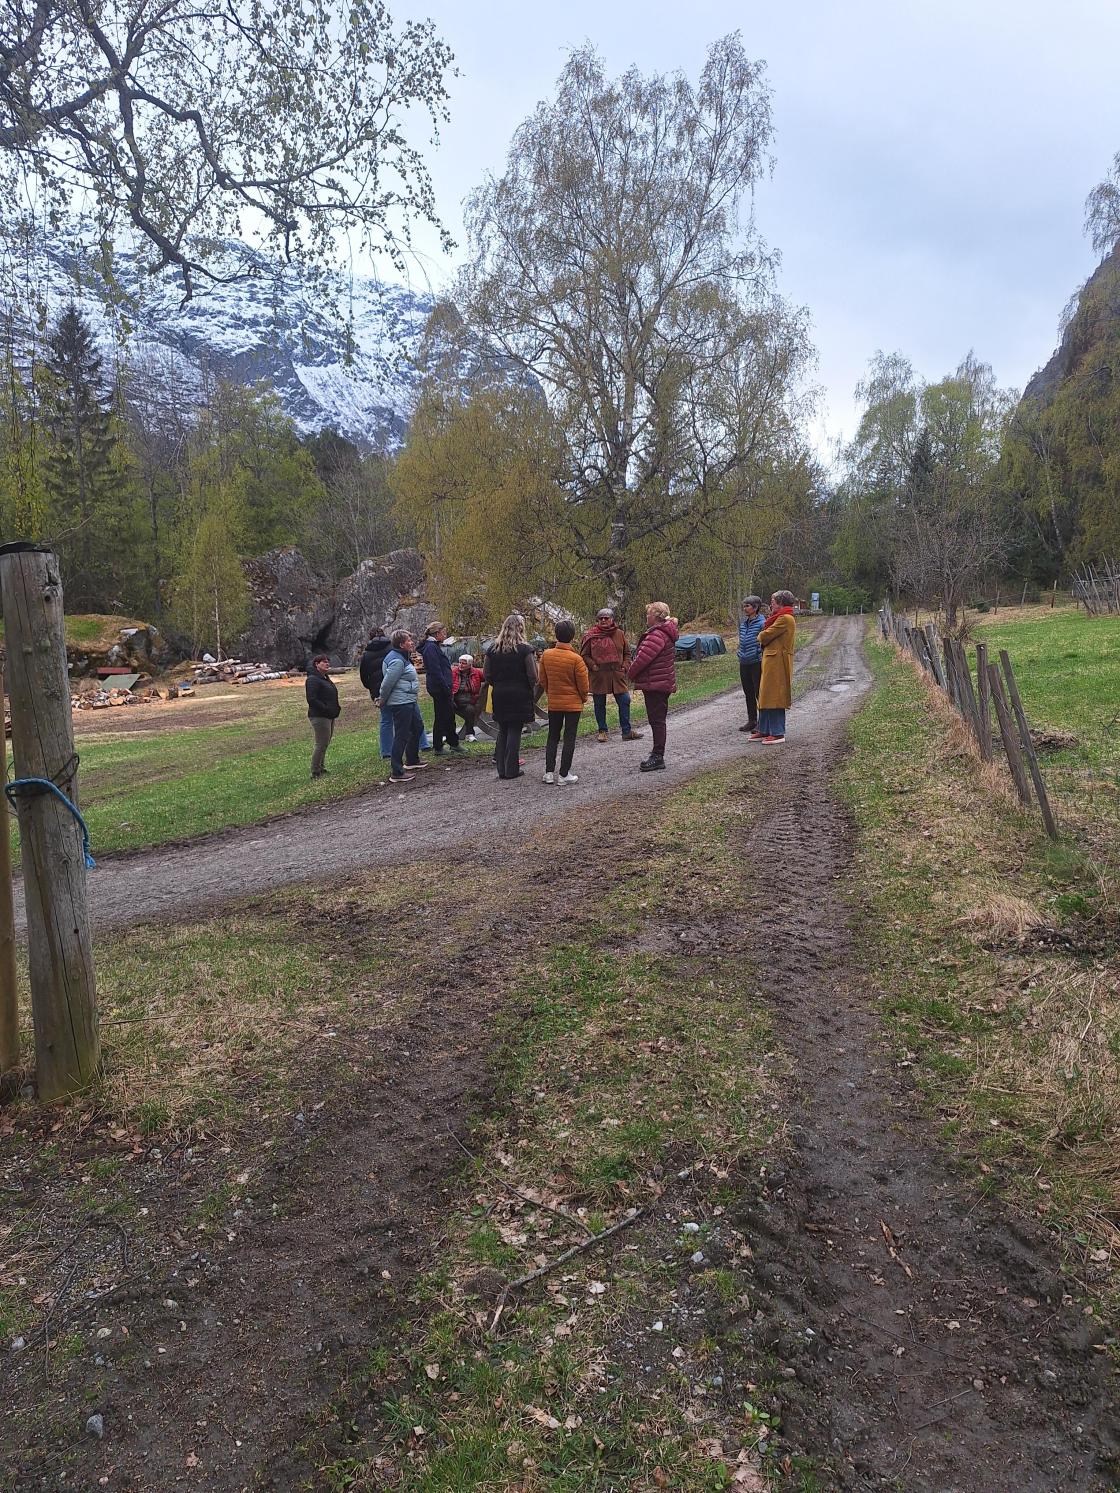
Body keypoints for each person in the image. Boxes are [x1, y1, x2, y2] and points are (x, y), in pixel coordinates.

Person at [478, 613, 538, 780]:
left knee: (503, 730)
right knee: (515, 730)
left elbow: (487, 674)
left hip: (500, 693)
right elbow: (533, 675)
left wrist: (498, 684)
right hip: (519, 693)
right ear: (521, 628)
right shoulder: (525, 650)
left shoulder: (492, 650)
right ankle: (512, 769)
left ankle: (501, 769)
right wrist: (528, 687)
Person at [535, 620, 590, 784]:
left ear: (556, 635)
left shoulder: (546, 655)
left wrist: (551, 692)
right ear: (572, 636)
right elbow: (583, 685)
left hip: (554, 702)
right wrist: (583, 698)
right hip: (573, 704)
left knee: (552, 736)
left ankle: (549, 772)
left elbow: (542, 679)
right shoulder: (576, 659)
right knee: (569, 738)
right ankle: (564, 774)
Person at [627, 602, 679, 772]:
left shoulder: (656, 635)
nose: (646, 617)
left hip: (656, 683)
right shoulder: (664, 632)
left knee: (657, 721)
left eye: (648, 614)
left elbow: (642, 659)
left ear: (656, 616)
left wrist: (629, 674)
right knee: (657, 720)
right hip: (660, 682)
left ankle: (658, 756)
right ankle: (657, 753)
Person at [580, 607, 643, 744]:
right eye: (601, 618)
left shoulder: (619, 634)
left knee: (625, 700)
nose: (603, 620)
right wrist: (593, 666)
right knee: (599, 704)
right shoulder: (591, 635)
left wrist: (625, 666)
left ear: (612, 619)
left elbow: (627, 653)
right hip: (599, 675)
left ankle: (626, 731)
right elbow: (584, 654)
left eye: (606, 618)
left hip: (617, 674)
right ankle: (602, 731)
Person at [378, 629, 426, 782]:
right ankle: (397, 771)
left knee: (417, 727)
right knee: (402, 735)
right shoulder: (397, 661)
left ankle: (412, 760)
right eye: (408, 640)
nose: (412, 642)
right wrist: (382, 699)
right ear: (401, 644)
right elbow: (387, 683)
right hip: (401, 702)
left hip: (409, 700)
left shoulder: (402, 657)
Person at [753, 590, 797, 744]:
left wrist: (761, 634)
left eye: (773, 602)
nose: (771, 605)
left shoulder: (785, 618)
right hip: (771, 662)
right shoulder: (778, 617)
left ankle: (778, 732)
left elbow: (764, 635)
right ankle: (764, 729)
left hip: (779, 662)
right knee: (765, 695)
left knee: (776, 696)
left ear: (781, 603)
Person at [419, 623, 465, 757]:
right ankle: (438, 746)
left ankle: (453, 742)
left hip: (441, 686)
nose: (445, 635)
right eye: (443, 632)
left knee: (448, 715)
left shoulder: (434, 646)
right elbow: (435, 671)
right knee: (441, 716)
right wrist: (445, 687)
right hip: (439, 688)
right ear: (437, 633)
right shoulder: (430, 648)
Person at [359, 626, 395, 759]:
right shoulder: (392, 648)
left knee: (386, 719)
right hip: (395, 687)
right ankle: (417, 744)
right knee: (404, 717)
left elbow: (363, 676)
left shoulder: (367, 654)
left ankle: (386, 751)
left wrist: (371, 688)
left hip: (378, 690)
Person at [305, 653, 340, 779]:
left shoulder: (325, 678)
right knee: (321, 743)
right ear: (316, 664)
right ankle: (315, 771)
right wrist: (326, 709)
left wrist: (335, 708)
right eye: (324, 662)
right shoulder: (313, 679)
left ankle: (321, 767)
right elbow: (312, 699)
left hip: (329, 715)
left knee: (325, 742)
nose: (327, 664)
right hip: (319, 716)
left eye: (327, 661)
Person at [736, 596, 766, 734]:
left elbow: (764, 641)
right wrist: (739, 653)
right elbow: (741, 640)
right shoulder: (743, 624)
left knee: (759, 692)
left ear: (755, 607)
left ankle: (762, 722)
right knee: (748, 692)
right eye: (744, 606)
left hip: (756, 662)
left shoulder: (762, 623)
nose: (745, 608)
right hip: (744, 662)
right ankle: (752, 720)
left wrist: (758, 653)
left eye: (747, 606)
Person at [451, 652, 483, 740]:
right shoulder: (453, 672)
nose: (461, 665)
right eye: (460, 662)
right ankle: (450, 734)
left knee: (470, 711)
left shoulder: (476, 672)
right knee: (448, 711)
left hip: (469, 700)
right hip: (455, 700)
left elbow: (486, 678)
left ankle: (470, 734)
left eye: (464, 663)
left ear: (470, 664)